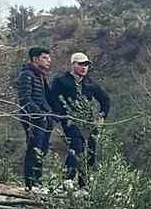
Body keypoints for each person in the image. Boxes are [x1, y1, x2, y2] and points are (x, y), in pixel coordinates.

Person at [48, 52, 111, 185]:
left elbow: (105, 99)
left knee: (91, 152)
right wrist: (61, 115)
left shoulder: (90, 83)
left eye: (86, 65)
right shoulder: (60, 81)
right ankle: (68, 179)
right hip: (69, 120)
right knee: (77, 147)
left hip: (88, 122)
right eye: (81, 64)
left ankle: (84, 184)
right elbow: (53, 99)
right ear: (73, 65)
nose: (84, 67)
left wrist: (101, 116)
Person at [14, 46, 55, 188]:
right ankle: (30, 184)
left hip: (44, 118)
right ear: (35, 59)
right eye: (45, 58)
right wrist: (39, 114)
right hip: (33, 119)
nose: (48, 61)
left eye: (49, 58)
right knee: (34, 149)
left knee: (42, 149)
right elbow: (25, 99)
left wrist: (51, 114)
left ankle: (37, 180)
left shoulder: (40, 75)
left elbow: (45, 98)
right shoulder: (27, 74)